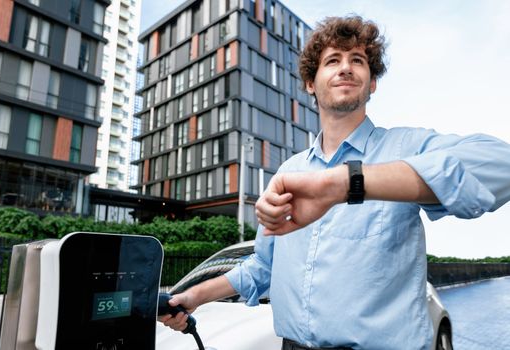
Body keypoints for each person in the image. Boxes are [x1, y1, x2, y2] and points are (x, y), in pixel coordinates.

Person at [160, 16, 510, 349]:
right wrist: (194, 297)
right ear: (311, 83)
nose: (345, 67)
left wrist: (347, 182)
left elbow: (501, 164)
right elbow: (264, 266)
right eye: (333, 60)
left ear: (372, 83)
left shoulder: (406, 148)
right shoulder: (290, 171)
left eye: (357, 60)